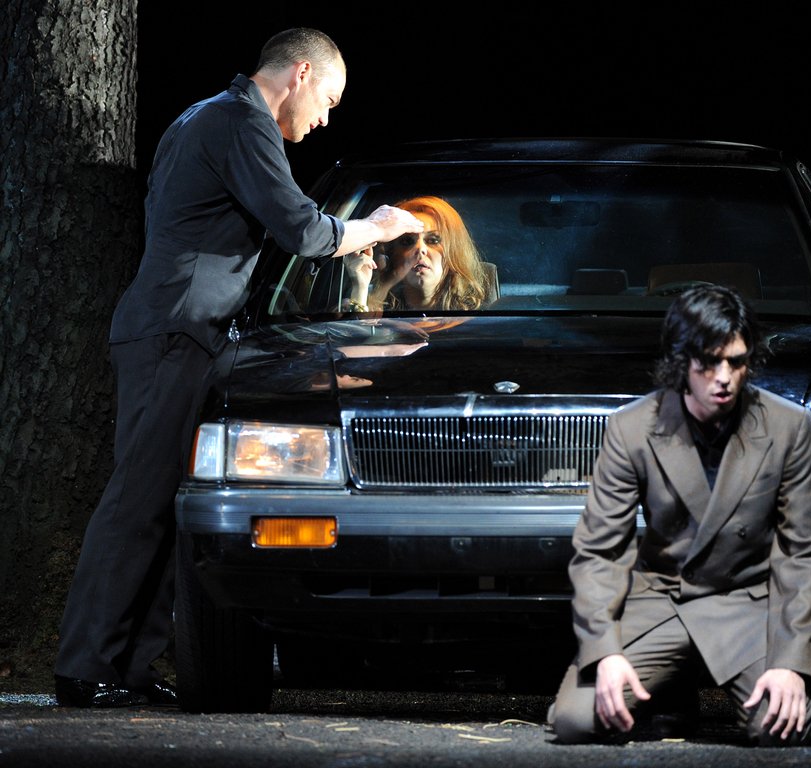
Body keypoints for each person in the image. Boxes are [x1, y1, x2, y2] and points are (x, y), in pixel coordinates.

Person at [54, 28, 424, 709]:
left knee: (171, 505)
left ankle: (128, 666)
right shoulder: (237, 121)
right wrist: (376, 227)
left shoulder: (206, 117)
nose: (325, 119)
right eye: (329, 100)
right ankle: (85, 667)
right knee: (138, 502)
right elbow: (303, 230)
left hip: (184, 329)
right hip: (176, 329)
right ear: (301, 73)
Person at [547, 284, 811, 747]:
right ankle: (670, 692)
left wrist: (791, 661)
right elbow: (599, 551)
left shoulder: (788, 427)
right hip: (662, 600)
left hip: (746, 602)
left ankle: (807, 688)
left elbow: (807, 553)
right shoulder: (632, 428)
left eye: (736, 362)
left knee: (779, 726)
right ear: (682, 362)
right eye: (708, 363)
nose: (723, 378)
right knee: (577, 720)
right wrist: (604, 652)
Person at [340, 195, 492, 313]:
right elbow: (352, 340)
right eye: (407, 241)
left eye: (433, 240)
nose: (420, 249)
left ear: (454, 252)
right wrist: (359, 290)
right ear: (392, 255)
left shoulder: (480, 320)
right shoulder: (370, 311)